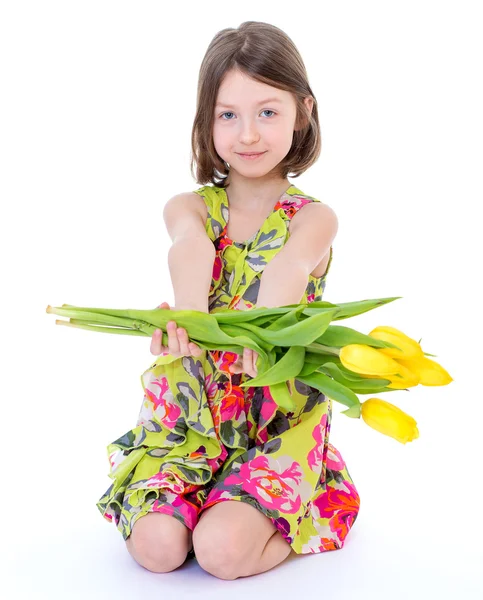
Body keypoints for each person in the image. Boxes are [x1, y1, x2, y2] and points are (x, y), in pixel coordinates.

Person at [96, 21, 360, 580]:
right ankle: (204, 503)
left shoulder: (314, 219)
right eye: (227, 114)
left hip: (273, 422)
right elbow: (189, 250)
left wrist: (255, 334)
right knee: (157, 551)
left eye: (267, 111)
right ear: (206, 120)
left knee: (219, 554)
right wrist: (190, 323)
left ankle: (290, 509)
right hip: (192, 418)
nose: (247, 135)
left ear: (303, 110)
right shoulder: (188, 208)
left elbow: (287, 270)